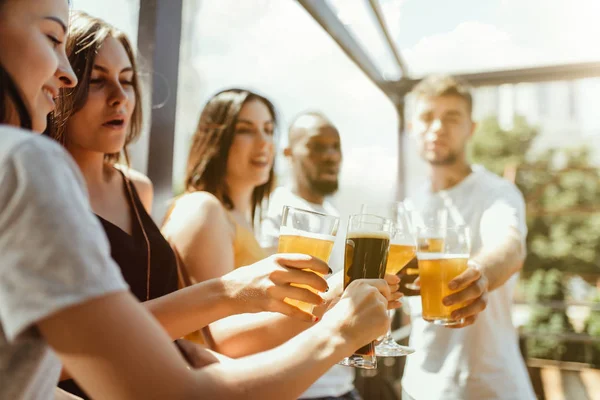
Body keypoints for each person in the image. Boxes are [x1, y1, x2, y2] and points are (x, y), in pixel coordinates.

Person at [0, 1, 401, 398]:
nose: (66, 75)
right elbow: (175, 373)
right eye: (52, 38)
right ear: (217, 138)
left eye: (269, 130)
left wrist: (325, 306)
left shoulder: (133, 188)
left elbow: (55, 357)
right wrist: (337, 329)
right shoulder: (26, 166)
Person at [401, 75, 536, 400]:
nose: (437, 127)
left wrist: (478, 274)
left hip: (490, 387)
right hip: (419, 387)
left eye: (451, 117)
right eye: (427, 116)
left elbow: (510, 245)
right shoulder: (409, 205)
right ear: (411, 127)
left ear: (471, 128)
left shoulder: (497, 193)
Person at [262, 111, 359, 400]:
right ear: (289, 153)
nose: (330, 156)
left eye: (335, 146)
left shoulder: (332, 213)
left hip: (341, 383)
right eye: (317, 146)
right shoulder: (276, 211)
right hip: (300, 389)